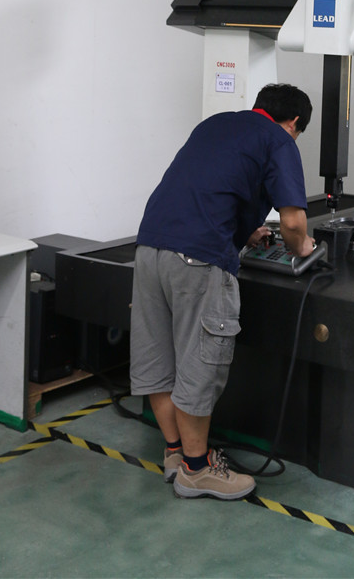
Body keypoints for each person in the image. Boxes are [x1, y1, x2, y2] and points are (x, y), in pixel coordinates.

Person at [129, 83, 314, 501]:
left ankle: (175, 454)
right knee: (199, 364)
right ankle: (197, 471)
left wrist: (245, 231)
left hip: (150, 247)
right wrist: (302, 247)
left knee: (158, 359)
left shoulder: (215, 125)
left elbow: (209, 188)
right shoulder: (280, 140)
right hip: (197, 260)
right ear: (294, 122)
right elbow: (293, 222)